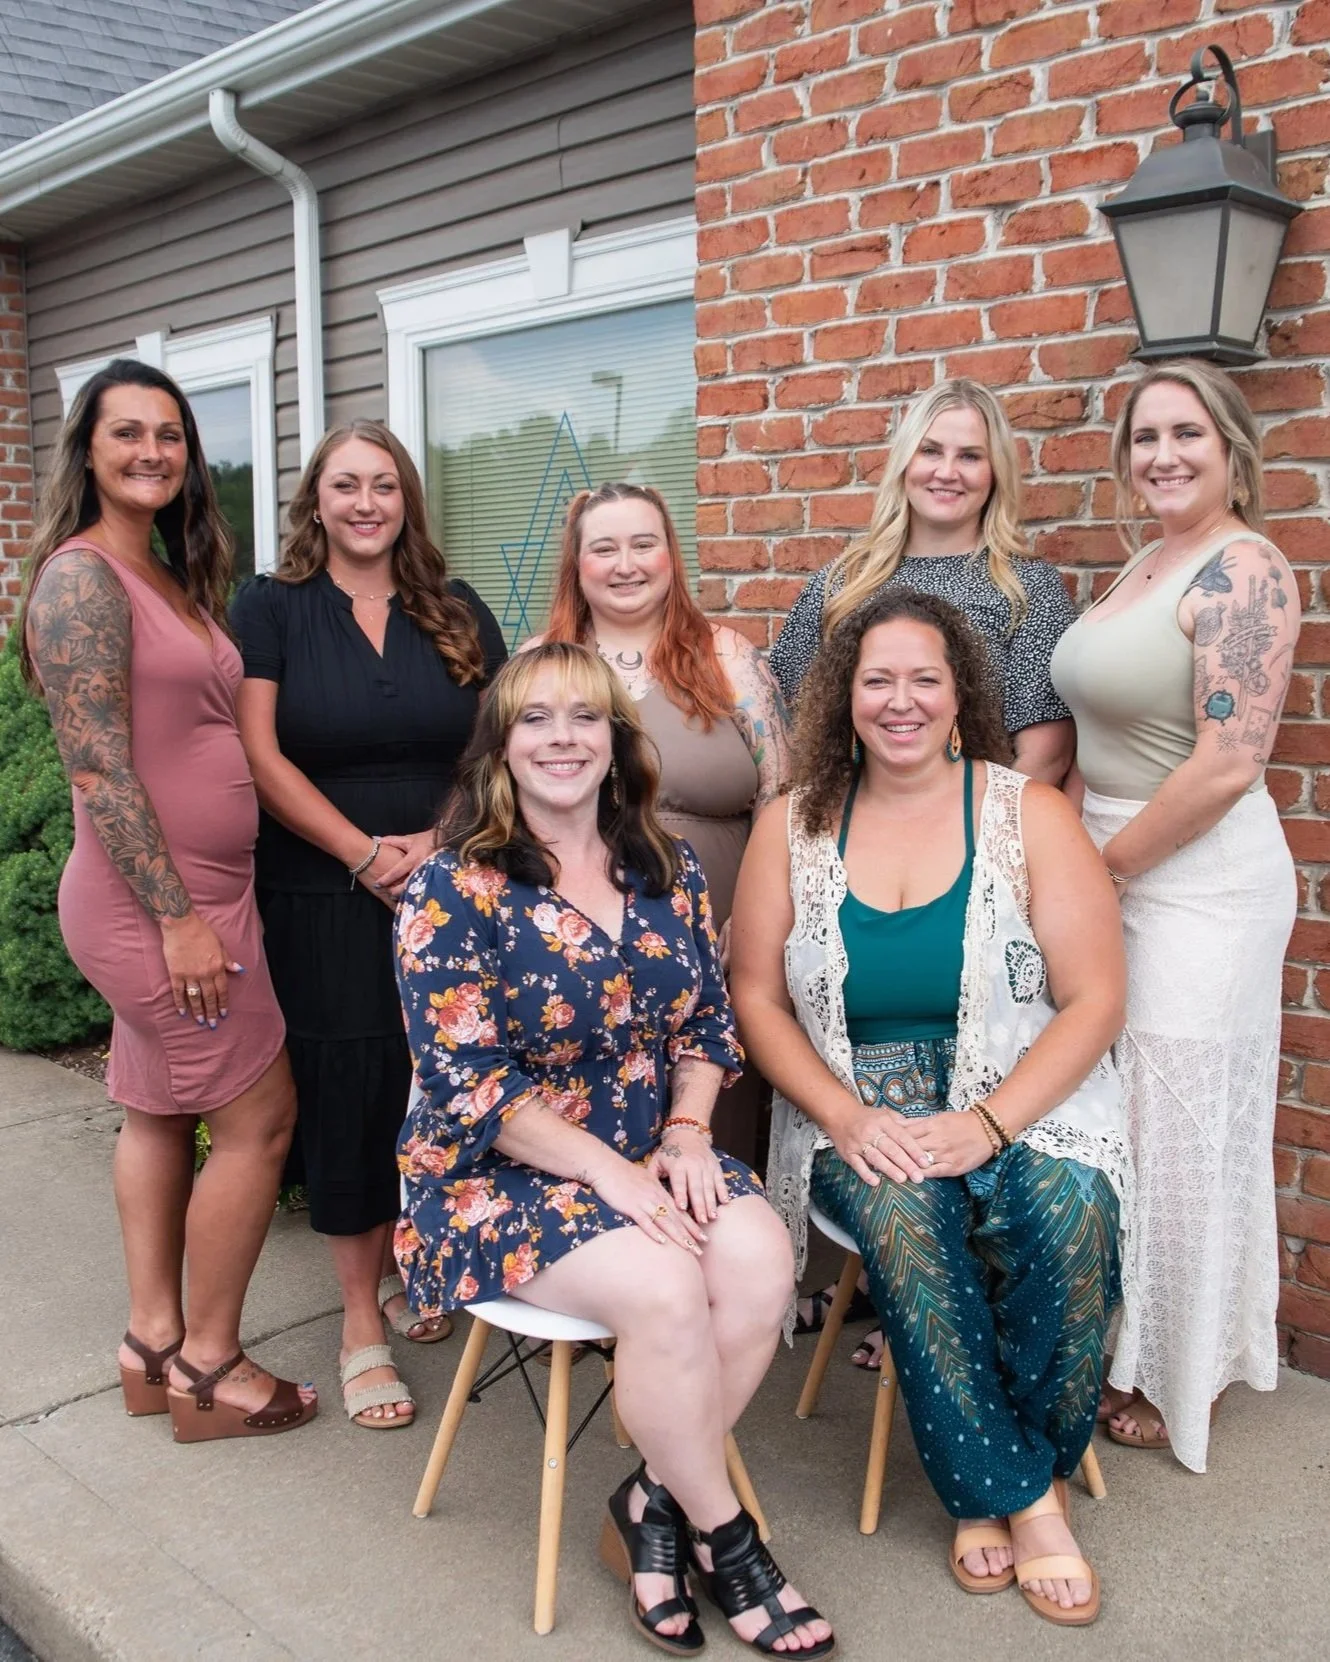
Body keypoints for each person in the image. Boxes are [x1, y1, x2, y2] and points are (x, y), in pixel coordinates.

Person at [393, 642, 834, 1657]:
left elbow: (707, 1023)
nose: (562, 739)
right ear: (500, 746)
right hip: (494, 1177)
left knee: (761, 1261)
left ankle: (652, 1503)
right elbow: (473, 1086)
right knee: (668, 1288)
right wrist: (611, 1174)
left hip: (647, 1150)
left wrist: (685, 1130)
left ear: (615, 740)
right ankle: (732, 1542)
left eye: (584, 717)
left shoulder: (666, 870)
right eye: (535, 719)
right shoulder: (451, 890)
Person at [732, 589, 1129, 1626]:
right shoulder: (790, 824)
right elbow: (756, 998)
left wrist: (989, 1123)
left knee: (1070, 1212)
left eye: (923, 679)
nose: (899, 701)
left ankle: (1001, 1476)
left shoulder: (1026, 812)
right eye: (877, 680)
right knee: (907, 1216)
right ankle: (1022, 1496)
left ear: (960, 696)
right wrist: (846, 1117)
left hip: (1015, 1088)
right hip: (855, 1100)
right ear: (844, 696)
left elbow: (1094, 998)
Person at [20, 359, 316, 1441]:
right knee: (259, 1120)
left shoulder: (158, 570)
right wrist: (179, 918)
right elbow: (98, 766)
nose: (152, 451)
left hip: (198, 899)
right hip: (159, 909)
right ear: (87, 450)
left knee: (156, 1107)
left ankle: (152, 1345)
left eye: (170, 435)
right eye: (127, 432)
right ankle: (210, 1366)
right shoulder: (82, 580)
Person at [770, 379, 1080, 1367]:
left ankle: (953, 1314)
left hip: (981, 872)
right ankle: (894, 1299)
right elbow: (794, 728)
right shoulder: (841, 584)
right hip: (854, 863)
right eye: (930, 451)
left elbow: (1042, 747)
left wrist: (977, 851)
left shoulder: (1026, 591)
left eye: (969, 454)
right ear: (903, 463)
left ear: (996, 473)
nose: (947, 471)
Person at [231, 419, 506, 1430]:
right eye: (345, 484)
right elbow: (259, 752)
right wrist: (361, 853)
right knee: (348, 1085)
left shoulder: (456, 607)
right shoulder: (271, 606)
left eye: (383, 485)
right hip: (320, 888)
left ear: (406, 500)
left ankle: (407, 1257)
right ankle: (358, 1320)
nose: (364, 503)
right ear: (316, 498)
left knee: (432, 1072)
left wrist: (437, 843)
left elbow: (498, 740)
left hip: (452, 881)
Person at [1050, 361, 1300, 1472]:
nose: (1163, 455)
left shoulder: (1245, 568)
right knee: (1123, 1118)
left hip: (1199, 879)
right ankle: (1123, 1338)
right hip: (1115, 858)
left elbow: (1228, 764)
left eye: (1187, 433)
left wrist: (1099, 871)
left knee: (1182, 1130)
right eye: (1145, 437)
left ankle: (1174, 1371)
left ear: (1232, 448)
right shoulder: (1144, 562)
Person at [532, 480, 791, 1166]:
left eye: (643, 544)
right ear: (577, 563)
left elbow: (784, 795)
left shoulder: (727, 658)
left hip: (725, 936)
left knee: (713, 1128)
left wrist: (756, 917)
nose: (626, 565)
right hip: (581, 944)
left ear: (670, 555)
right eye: (604, 548)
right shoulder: (540, 666)